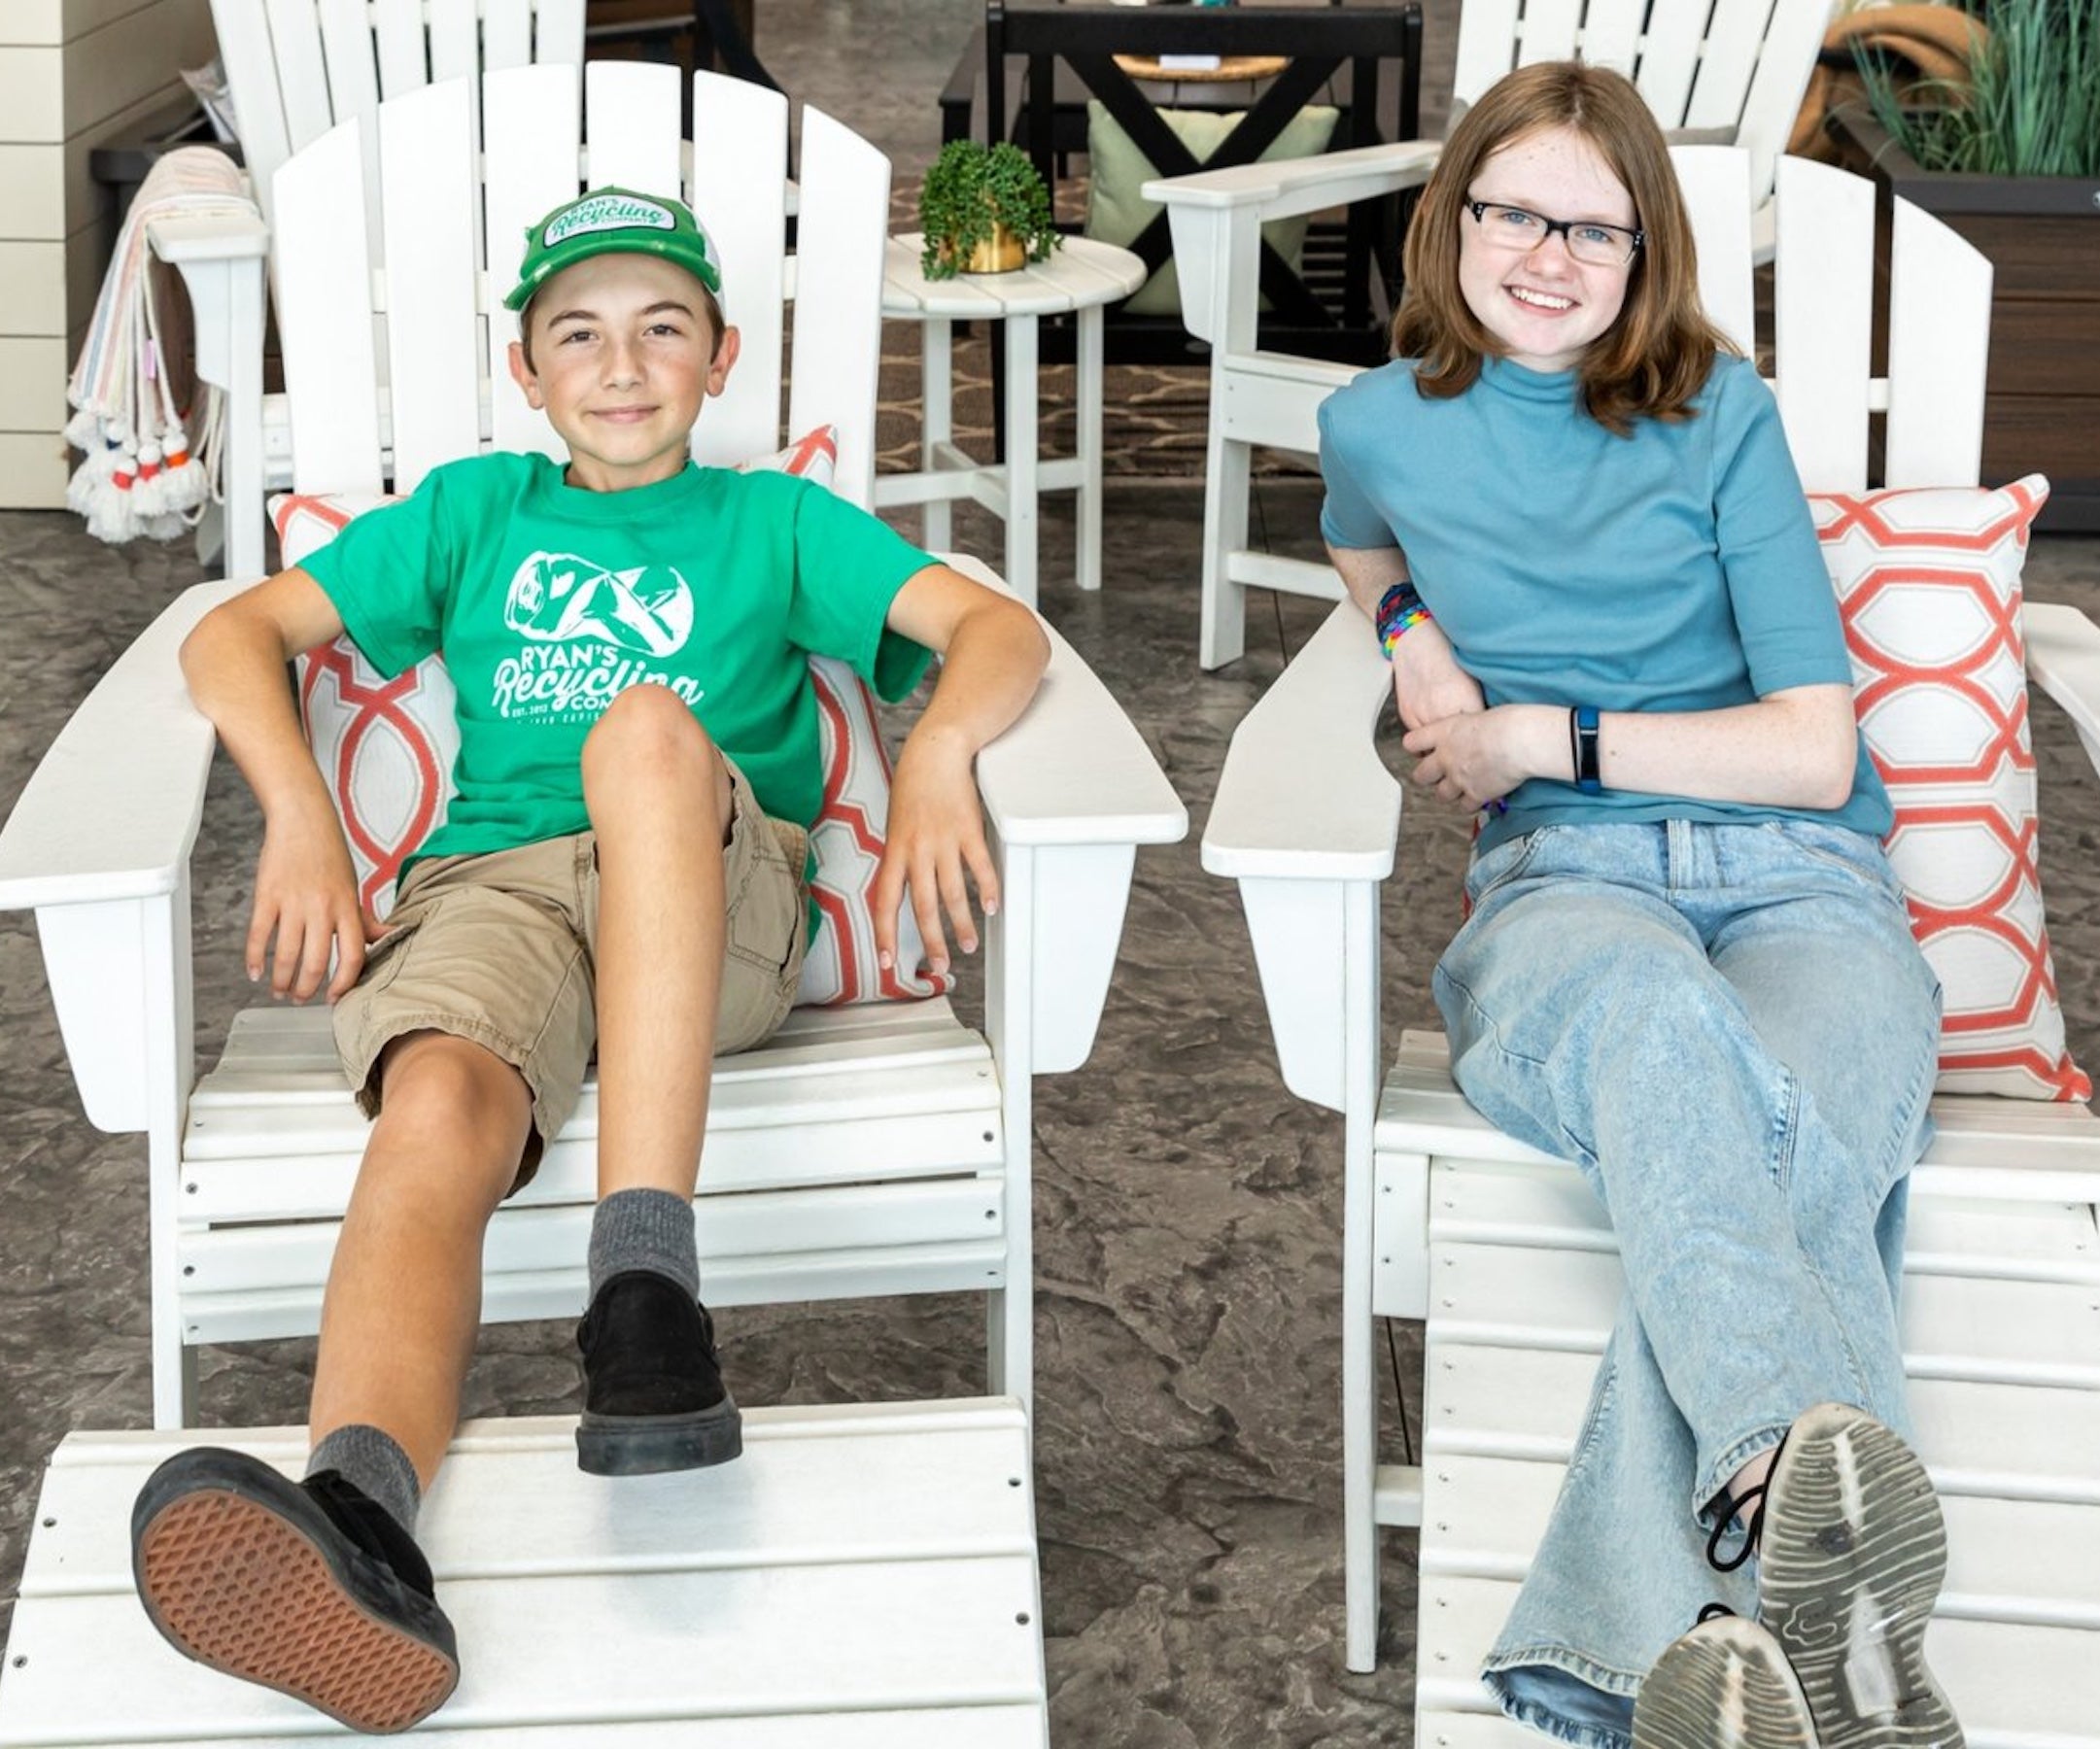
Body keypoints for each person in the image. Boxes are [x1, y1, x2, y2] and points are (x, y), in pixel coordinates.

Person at [125, 186, 1050, 1734]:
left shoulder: (773, 523)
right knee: (434, 1103)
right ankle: (360, 1524)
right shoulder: (474, 512)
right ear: (527, 371)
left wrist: (942, 751)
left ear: (720, 356)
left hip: (710, 891)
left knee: (642, 729)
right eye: (579, 335)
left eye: (662, 328)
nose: (622, 366)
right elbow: (233, 636)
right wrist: (299, 816)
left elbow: (994, 629)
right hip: (496, 892)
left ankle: (644, 1295)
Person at [1317, 63, 1958, 1749]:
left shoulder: (1717, 416)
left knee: (1778, 1134)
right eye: (1513, 214)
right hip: (1565, 891)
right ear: (1450, 216)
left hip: (1800, 877)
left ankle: (1661, 1650)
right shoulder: (1371, 425)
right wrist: (1412, 643)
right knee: (1669, 1031)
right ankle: (1841, 1639)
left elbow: (1814, 752)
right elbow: (1365, 548)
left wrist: (1540, 735)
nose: (1547, 258)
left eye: (1593, 231)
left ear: (1644, 253)